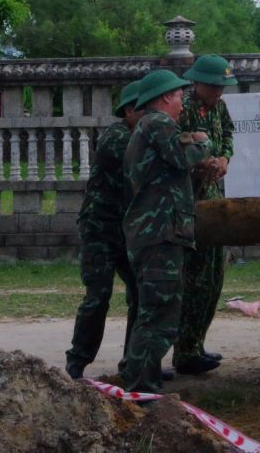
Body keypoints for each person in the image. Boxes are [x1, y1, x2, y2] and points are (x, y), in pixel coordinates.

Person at [119, 69, 214, 394]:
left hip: (155, 232)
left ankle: (143, 379)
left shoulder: (148, 128)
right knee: (159, 311)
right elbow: (181, 155)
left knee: (155, 309)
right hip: (160, 232)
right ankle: (140, 385)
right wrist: (204, 143)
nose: (181, 102)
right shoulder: (157, 123)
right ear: (164, 99)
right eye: (177, 96)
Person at [64, 79, 144, 380]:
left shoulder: (141, 134)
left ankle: (133, 361)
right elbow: (145, 156)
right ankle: (77, 361)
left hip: (127, 230)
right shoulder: (118, 137)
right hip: (99, 230)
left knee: (141, 292)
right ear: (128, 111)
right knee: (98, 296)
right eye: (143, 109)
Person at [172, 54, 237, 376]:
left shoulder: (220, 108)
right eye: (213, 87)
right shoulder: (179, 108)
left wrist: (223, 158)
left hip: (213, 199)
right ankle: (183, 351)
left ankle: (196, 344)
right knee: (192, 280)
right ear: (197, 82)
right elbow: (173, 150)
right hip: (187, 201)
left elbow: (227, 135)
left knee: (213, 277)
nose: (218, 93)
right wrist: (198, 165)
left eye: (222, 87)